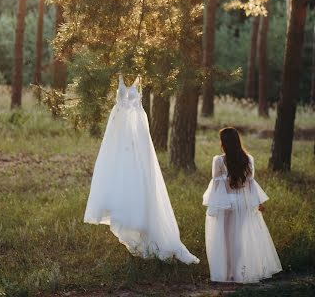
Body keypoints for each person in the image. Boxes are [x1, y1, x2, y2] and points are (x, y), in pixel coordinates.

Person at [84, 74, 199, 264]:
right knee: (118, 176)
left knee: (139, 179)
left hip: (136, 135)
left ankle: (147, 232)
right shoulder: (119, 76)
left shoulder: (139, 81)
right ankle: (127, 217)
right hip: (118, 135)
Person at [203, 126, 282, 283]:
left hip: (226, 204)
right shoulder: (248, 159)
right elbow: (250, 184)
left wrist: (213, 205)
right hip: (243, 203)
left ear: (223, 143)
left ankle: (227, 273)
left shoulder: (218, 160)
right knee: (239, 239)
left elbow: (217, 187)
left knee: (225, 240)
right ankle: (238, 272)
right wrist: (257, 202)